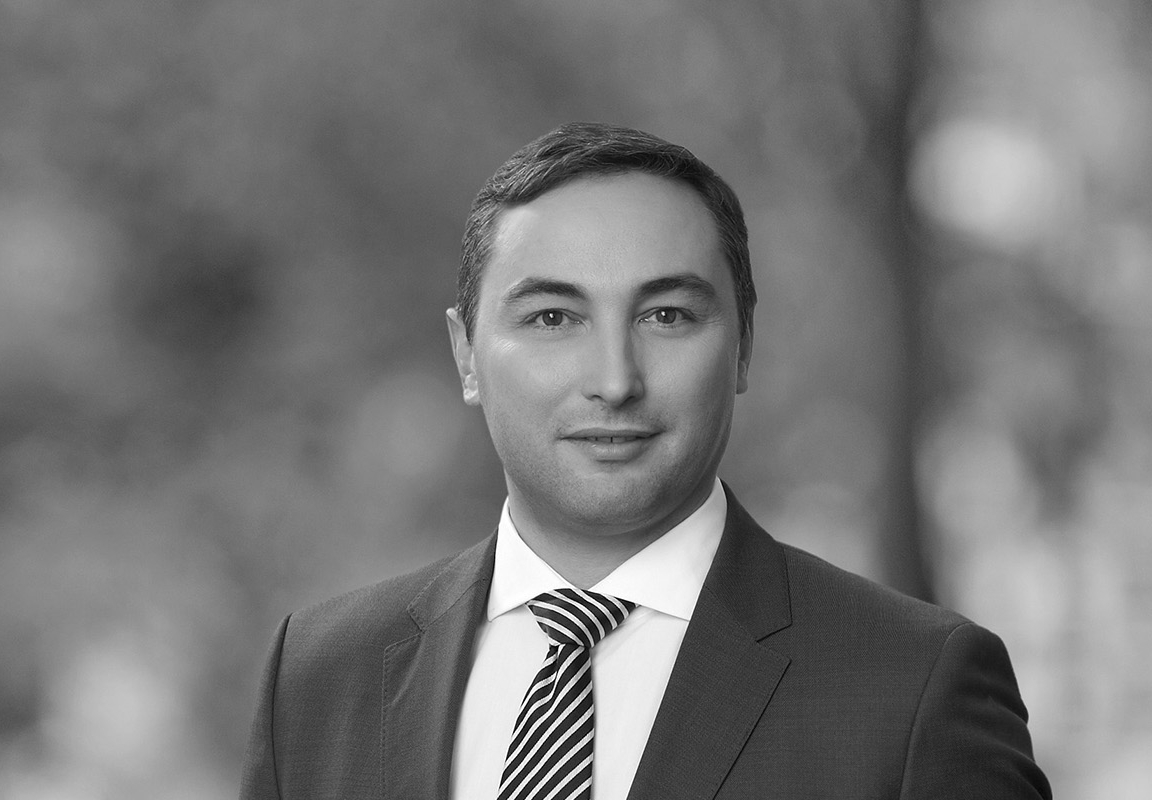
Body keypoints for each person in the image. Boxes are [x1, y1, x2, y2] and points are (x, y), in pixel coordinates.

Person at [240, 122, 1051, 800]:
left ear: (743, 345)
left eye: (666, 315)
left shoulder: (911, 688)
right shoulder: (318, 681)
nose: (614, 380)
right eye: (553, 317)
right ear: (465, 355)